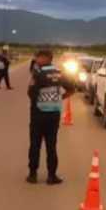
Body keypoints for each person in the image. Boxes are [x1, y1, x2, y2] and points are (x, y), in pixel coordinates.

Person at [26, 49, 74, 185]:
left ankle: (32, 175)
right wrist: (59, 98)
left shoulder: (38, 74)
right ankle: (52, 176)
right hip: (54, 114)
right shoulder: (59, 73)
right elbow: (71, 89)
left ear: (46, 58)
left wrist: (39, 101)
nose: (37, 60)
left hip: (38, 114)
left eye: (38, 57)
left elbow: (31, 93)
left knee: (35, 144)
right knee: (51, 145)